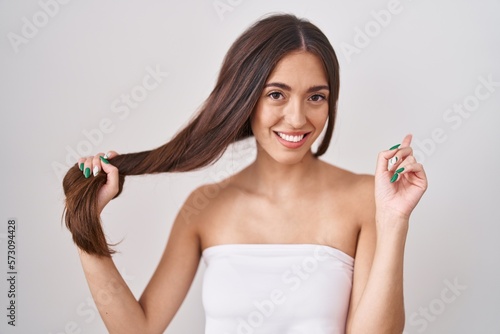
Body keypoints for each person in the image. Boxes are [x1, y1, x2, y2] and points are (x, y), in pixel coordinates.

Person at [62, 13, 427, 334]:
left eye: (316, 97)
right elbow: (138, 330)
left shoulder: (364, 199)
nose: (298, 118)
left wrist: (394, 222)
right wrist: (86, 222)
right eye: (276, 95)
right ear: (245, 98)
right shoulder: (205, 207)